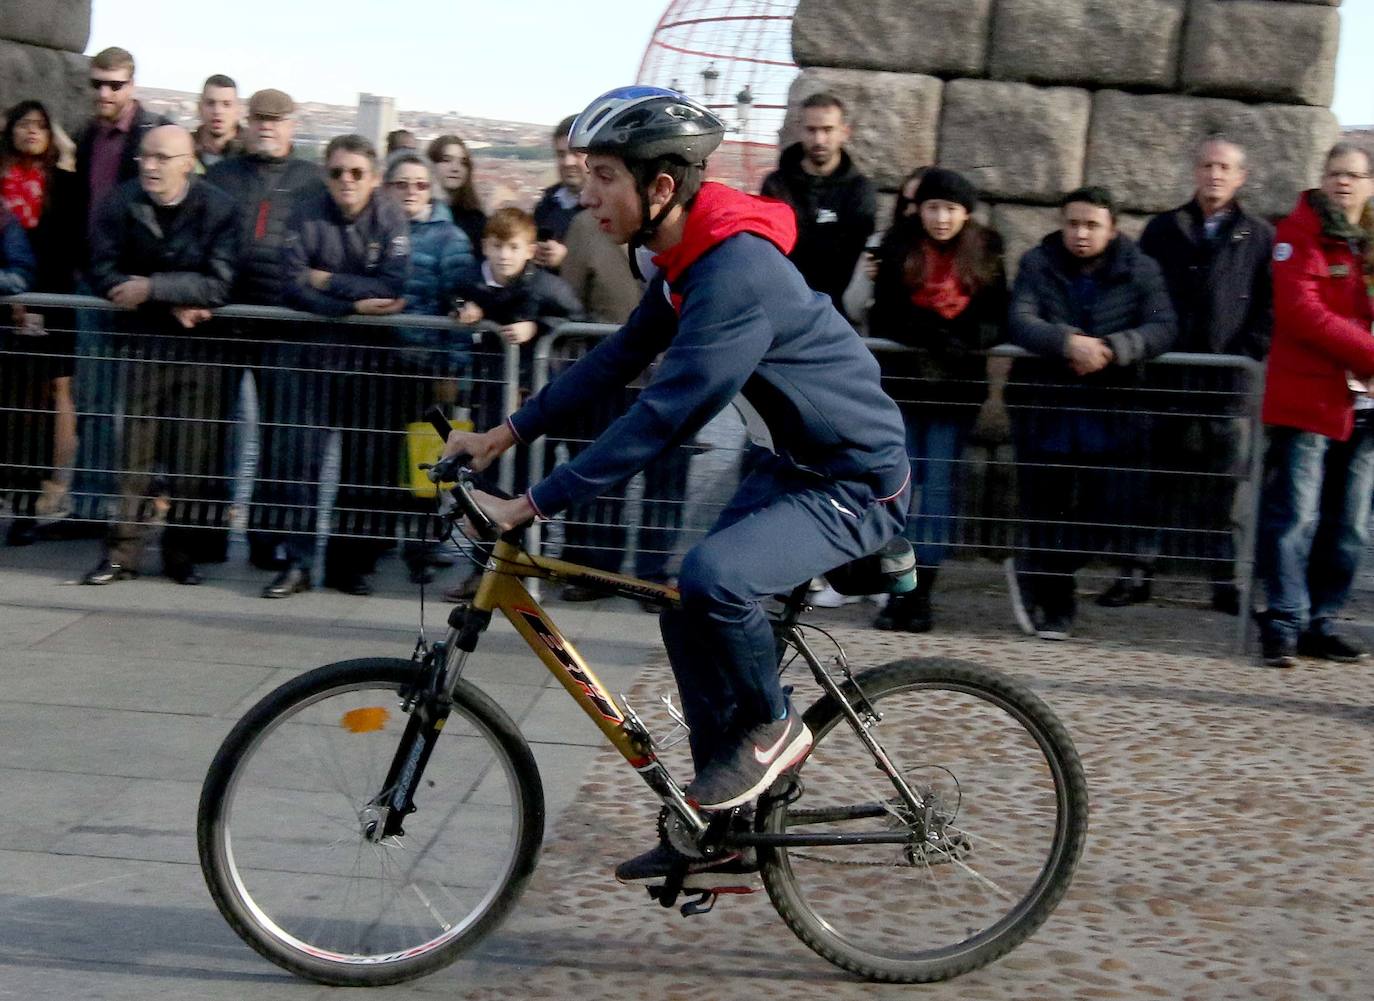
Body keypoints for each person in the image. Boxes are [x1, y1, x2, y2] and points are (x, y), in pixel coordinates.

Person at [440, 87, 910, 879]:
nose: (585, 196)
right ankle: (718, 821)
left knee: (714, 576)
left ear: (661, 188)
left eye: (603, 177)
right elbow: (616, 359)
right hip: (789, 463)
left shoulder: (735, 276)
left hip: (855, 479)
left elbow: (661, 418)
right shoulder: (685, 257)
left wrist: (529, 503)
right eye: (584, 175)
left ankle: (773, 727)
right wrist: (504, 434)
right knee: (681, 597)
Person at [1005, 186, 1177, 640]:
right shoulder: (1038, 263)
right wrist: (1066, 342)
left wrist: (1114, 349)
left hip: (1113, 410)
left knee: (1108, 511)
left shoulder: (1142, 269)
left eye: (1092, 225)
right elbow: (1021, 318)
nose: (1080, 234)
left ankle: (1038, 569)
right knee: (1047, 508)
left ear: (1112, 228)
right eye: (1073, 224)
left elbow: (1162, 326)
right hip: (1049, 409)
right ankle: (1055, 606)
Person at [82, 125, 239, 586]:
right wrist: (170, 300)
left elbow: (220, 283)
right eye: (145, 157)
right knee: (133, 456)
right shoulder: (120, 201)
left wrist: (151, 287)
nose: (150, 165)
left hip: (199, 351)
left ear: (187, 162)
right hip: (142, 344)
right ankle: (121, 555)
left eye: (163, 158)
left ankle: (180, 554)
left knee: (191, 459)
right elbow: (102, 269)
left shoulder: (219, 208)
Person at [1130, 136, 1274, 615]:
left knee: (1226, 486)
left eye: (1225, 167)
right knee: (1153, 480)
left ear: (1241, 177)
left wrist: (1246, 353)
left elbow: (1270, 308)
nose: (1215, 174)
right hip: (1169, 377)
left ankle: (1224, 580)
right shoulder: (1163, 229)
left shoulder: (1259, 236)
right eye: (1208, 165)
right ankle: (1137, 571)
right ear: (1196, 171)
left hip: (1227, 384)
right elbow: (1142, 293)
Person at [868, 168, 1007, 632]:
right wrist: (931, 333)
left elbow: (994, 317)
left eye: (950, 208)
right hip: (905, 389)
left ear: (966, 213)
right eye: (932, 207)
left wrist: (962, 339)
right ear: (919, 209)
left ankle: (923, 590)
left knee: (940, 492)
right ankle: (895, 589)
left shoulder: (986, 253)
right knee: (899, 490)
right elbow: (885, 313)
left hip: (953, 393)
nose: (941, 217)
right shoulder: (898, 247)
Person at [1255, 144, 1374, 668]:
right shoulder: (1298, 231)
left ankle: (1323, 620)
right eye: (1334, 174)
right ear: (1321, 179)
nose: (1343, 183)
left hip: (1366, 404)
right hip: (1311, 396)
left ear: (1368, 184)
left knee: (1349, 523)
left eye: (1353, 175)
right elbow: (1303, 312)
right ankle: (1284, 620)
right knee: (1297, 517)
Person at [205, 88, 326, 589]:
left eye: (277, 120)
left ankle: (271, 537)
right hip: (224, 321)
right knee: (213, 434)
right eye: (259, 119)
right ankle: (206, 535)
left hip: (284, 323)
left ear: (292, 125)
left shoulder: (311, 180)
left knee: (285, 440)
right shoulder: (222, 176)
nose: (267, 127)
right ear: (246, 122)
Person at [281, 133, 410, 596]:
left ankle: (345, 565)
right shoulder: (305, 210)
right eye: (337, 172)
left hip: (368, 365)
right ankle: (296, 563)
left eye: (357, 173)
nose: (346, 181)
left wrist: (326, 281)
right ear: (325, 174)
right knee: (301, 467)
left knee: (364, 469)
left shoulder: (389, 214)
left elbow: (393, 285)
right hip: (312, 360)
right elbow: (292, 284)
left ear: (374, 178)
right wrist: (352, 304)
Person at [0, 99, 81, 544]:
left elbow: (65, 244)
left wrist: (34, 303)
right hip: (5, 299)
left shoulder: (61, 183)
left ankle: (39, 495)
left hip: (49, 299)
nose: (32, 132)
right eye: (23, 124)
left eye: (40, 125)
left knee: (45, 398)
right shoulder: (0, 182)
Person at [761, 92, 876, 320]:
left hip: (837, 314)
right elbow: (768, 250)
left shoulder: (860, 189)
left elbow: (854, 254)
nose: (819, 139)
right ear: (800, 130)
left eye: (827, 130)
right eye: (811, 130)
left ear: (845, 132)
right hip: (784, 308)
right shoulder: (776, 184)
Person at [531, 115, 585, 271]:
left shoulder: (605, 210)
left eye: (576, 153)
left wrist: (567, 260)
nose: (568, 162)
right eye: (561, 154)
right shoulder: (546, 204)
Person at [427, 134, 486, 255]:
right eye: (447, 160)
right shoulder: (414, 213)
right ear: (429, 164)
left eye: (463, 162)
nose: (456, 168)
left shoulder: (476, 221)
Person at [193, 74, 244, 171]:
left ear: (238, 110)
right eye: (210, 103)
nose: (217, 111)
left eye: (226, 104)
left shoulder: (251, 153)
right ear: (199, 108)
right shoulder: (184, 150)